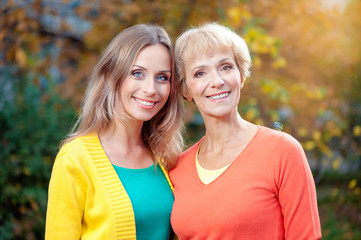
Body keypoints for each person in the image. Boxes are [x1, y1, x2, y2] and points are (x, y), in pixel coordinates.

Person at [170, 23, 322, 239]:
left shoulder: (282, 151)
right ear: (186, 89)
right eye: (200, 73)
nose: (217, 81)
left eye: (225, 67)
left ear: (240, 75)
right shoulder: (177, 168)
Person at [45, 24, 183, 240]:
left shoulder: (167, 157)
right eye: (137, 73)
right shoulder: (74, 159)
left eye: (162, 77)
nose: (150, 89)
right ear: (111, 75)